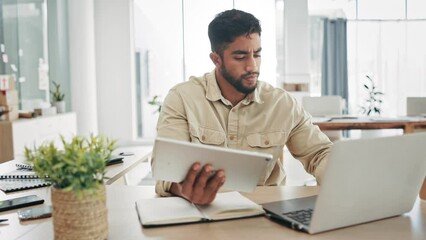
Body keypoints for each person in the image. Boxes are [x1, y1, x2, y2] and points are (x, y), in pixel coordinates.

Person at [153, 9, 332, 205]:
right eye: (240, 57)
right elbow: (166, 170)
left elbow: (320, 154)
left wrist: (341, 177)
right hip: (201, 212)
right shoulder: (182, 98)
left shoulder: (282, 104)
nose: (252, 66)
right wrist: (186, 190)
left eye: (257, 54)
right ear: (216, 59)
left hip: (267, 213)